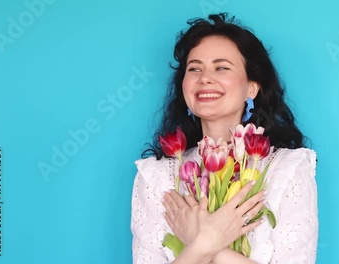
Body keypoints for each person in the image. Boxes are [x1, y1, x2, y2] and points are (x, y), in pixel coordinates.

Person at [131, 13, 318, 264]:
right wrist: (206, 243)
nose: (204, 78)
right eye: (194, 68)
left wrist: (200, 241)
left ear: (251, 87)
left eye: (221, 67)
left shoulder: (287, 168)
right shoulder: (155, 176)